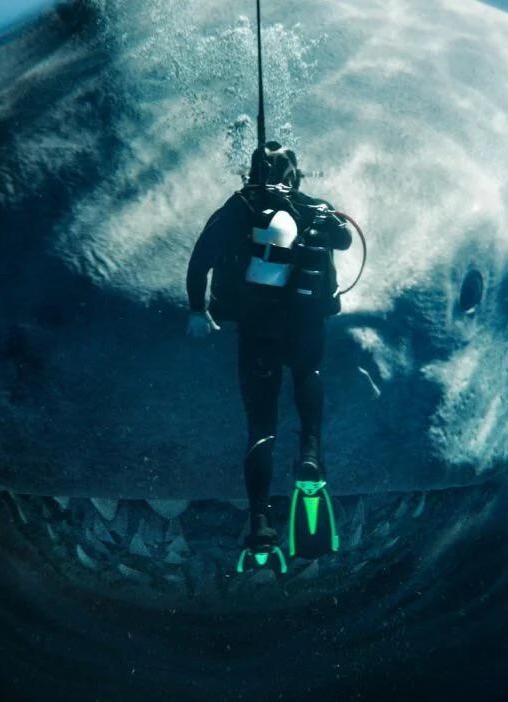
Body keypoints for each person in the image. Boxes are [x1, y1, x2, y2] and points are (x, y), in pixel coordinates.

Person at [185, 141, 351, 567]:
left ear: (250, 172)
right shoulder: (314, 205)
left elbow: (201, 258)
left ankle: (260, 521)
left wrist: (197, 309)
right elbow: (346, 240)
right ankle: (311, 456)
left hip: (257, 327)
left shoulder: (239, 207)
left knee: (260, 424)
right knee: (308, 375)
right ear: (297, 173)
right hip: (306, 323)